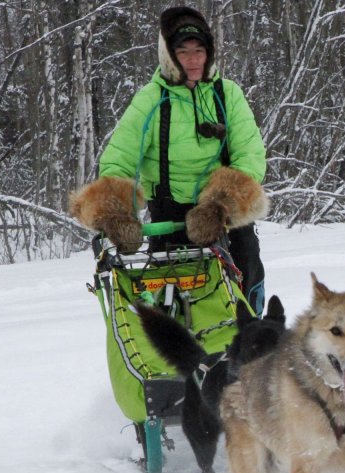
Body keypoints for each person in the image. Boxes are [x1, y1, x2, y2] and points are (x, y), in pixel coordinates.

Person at [70, 6, 268, 311]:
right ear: (169, 55)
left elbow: (250, 157)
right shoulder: (151, 100)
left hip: (223, 217)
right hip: (170, 219)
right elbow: (118, 162)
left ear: (210, 52)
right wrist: (116, 213)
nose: (193, 59)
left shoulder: (227, 95)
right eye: (183, 51)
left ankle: (254, 338)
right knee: (171, 309)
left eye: (199, 50)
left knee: (246, 280)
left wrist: (219, 206)